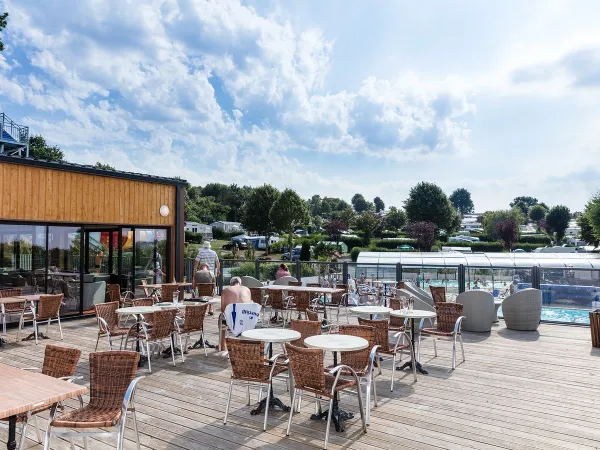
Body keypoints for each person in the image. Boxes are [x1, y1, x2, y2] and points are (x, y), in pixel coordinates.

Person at [220, 276, 252, 350]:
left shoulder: (226, 290)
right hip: (246, 320)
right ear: (240, 284)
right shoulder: (247, 289)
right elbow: (250, 305)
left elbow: (222, 309)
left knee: (221, 319)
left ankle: (222, 345)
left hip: (231, 320)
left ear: (231, 284)